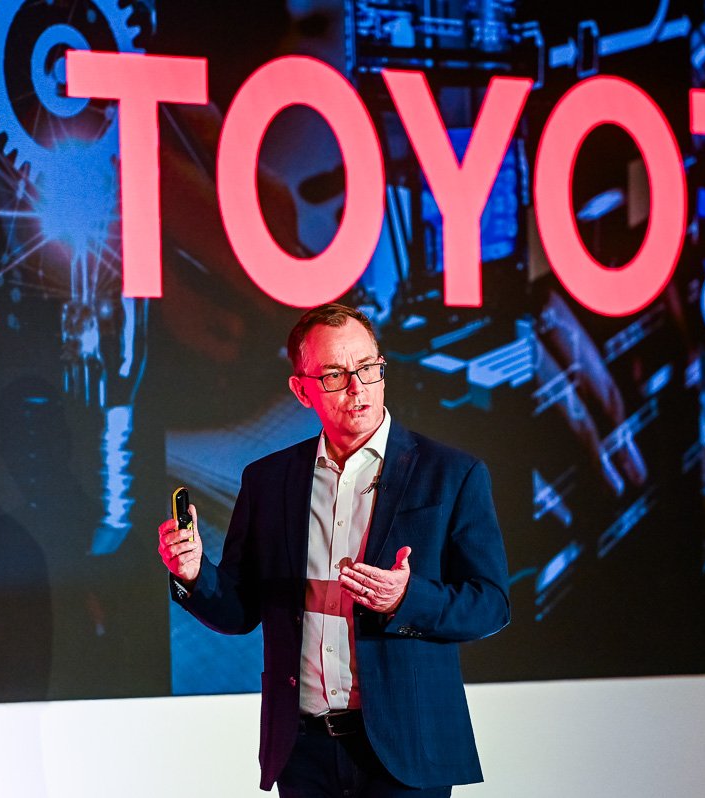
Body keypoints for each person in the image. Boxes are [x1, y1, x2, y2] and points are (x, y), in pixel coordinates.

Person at [157, 303, 510, 796]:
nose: (357, 387)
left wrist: (406, 598)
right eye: (335, 374)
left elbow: (491, 605)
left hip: (405, 751)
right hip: (304, 752)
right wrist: (195, 574)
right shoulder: (268, 480)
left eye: (368, 368)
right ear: (302, 390)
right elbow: (239, 610)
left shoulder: (452, 473)